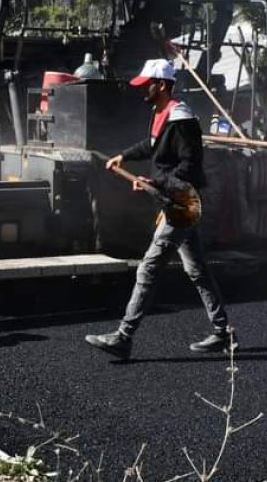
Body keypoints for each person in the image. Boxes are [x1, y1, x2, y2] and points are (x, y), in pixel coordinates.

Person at [85, 58, 233, 360]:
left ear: (162, 85)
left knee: (149, 267)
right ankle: (222, 333)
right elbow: (152, 145)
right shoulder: (160, 112)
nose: (143, 89)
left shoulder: (182, 119)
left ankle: (123, 337)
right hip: (171, 201)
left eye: (147, 84)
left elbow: (189, 167)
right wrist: (123, 156)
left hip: (182, 204)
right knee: (197, 270)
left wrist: (156, 182)